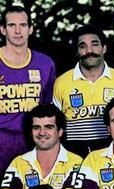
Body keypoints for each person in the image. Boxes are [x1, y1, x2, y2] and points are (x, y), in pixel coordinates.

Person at [0, 104, 82, 189]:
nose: (42, 133)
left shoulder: (75, 161)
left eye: (49, 127)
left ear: (60, 131)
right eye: (36, 127)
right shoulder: (19, 162)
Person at [53, 24, 114, 157]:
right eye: (83, 46)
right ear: (77, 51)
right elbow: (54, 125)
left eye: (94, 44)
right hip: (72, 155)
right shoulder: (61, 83)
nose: (89, 50)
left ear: (104, 48)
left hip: (112, 154)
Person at [0, 4, 56, 176]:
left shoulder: (45, 64)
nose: (18, 31)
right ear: (3, 29)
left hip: (32, 145)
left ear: (30, 29)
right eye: (11, 25)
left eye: (23, 25)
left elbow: (47, 108)